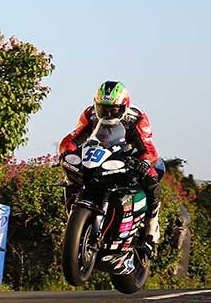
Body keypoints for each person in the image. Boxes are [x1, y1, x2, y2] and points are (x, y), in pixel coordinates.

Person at [59, 80, 164, 255]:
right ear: (96, 105)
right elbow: (74, 138)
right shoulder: (90, 114)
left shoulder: (138, 118)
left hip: (129, 155)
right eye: (103, 109)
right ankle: (73, 219)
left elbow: (149, 148)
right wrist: (66, 152)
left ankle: (151, 230)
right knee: (73, 175)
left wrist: (145, 161)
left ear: (124, 107)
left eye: (113, 109)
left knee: (151, 177)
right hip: (99, 153)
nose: (108, 113)